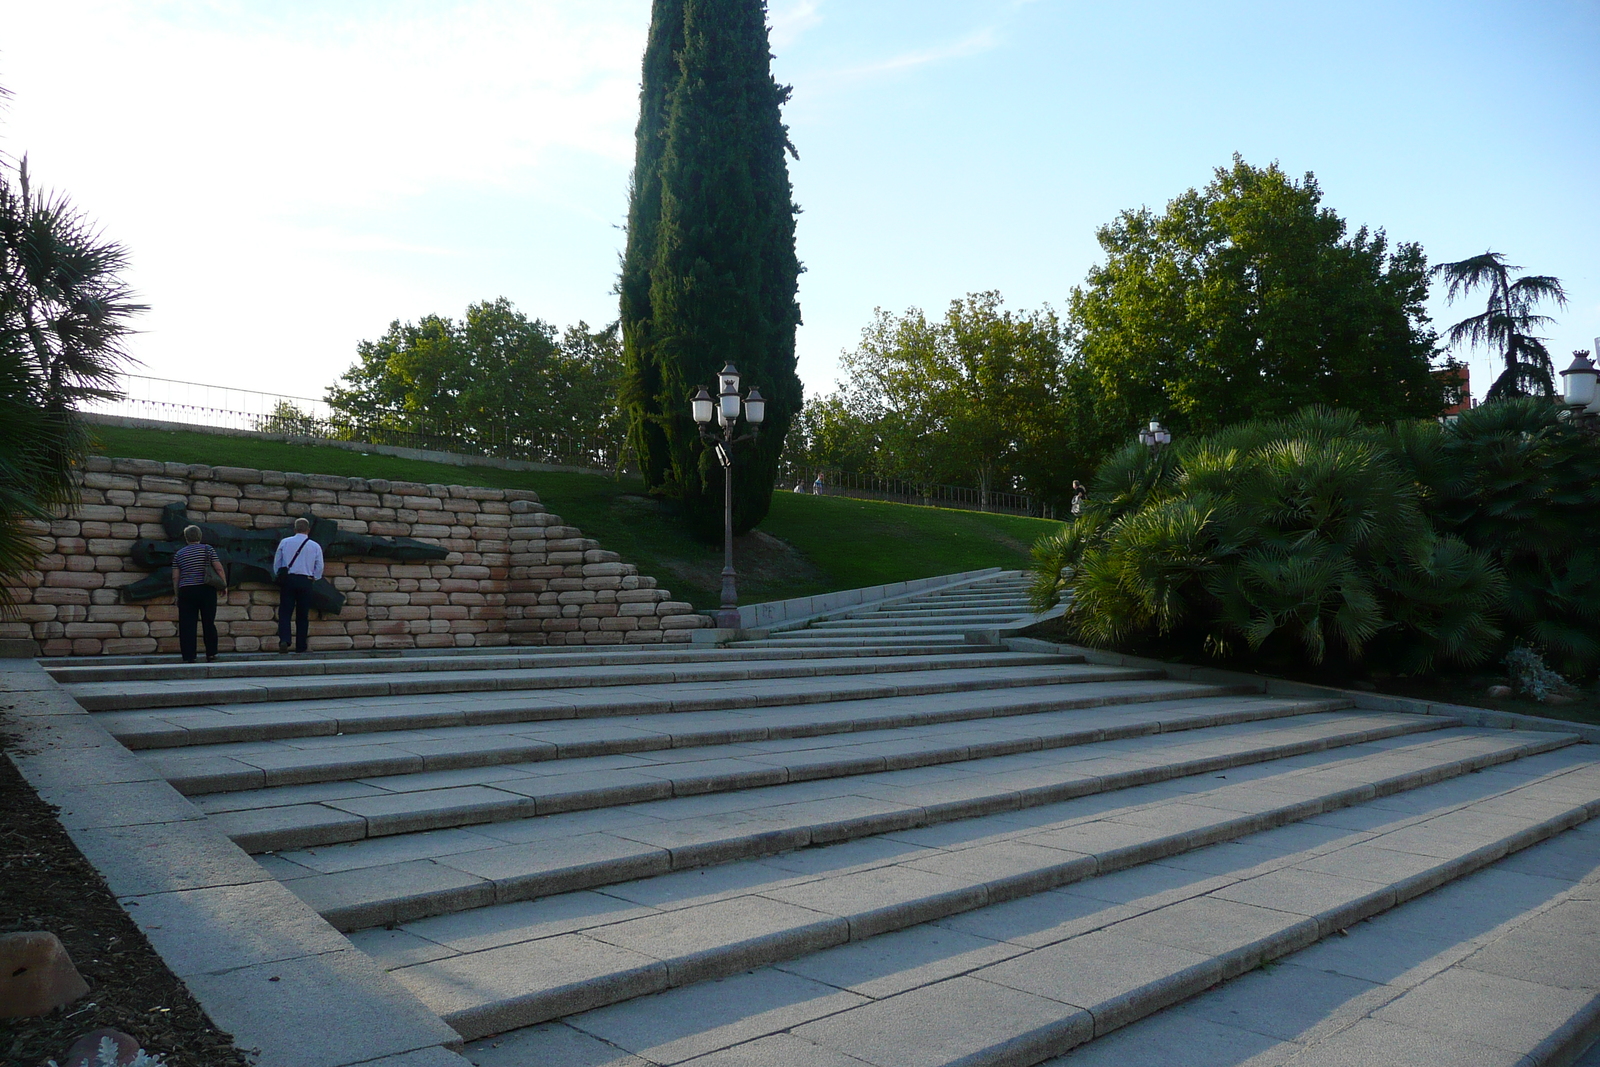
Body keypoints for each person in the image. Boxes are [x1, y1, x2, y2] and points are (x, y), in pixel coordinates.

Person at [170, 525, 226, 663]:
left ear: (186, 538)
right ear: (200, 536)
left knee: (187, 624)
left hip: (186, 590)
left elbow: (175, 577)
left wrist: (177, 594)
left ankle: (189, 656)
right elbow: (218, 568)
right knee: (208, 622)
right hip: (206, 589)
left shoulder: (179, 554)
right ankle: (211, 653)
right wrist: (223, 585)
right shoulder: (208, 549)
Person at [273, 517, 324, 654]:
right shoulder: (314, 546)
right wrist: (314, 577)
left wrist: (280, 575)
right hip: (305, 580)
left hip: (289, 579)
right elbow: (319, 566)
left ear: (294, 529)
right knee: (302, 615)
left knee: (285, 612)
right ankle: (301, 646)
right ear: (308, 530)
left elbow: (277, 562)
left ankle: (285, 639)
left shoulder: (285, 542)